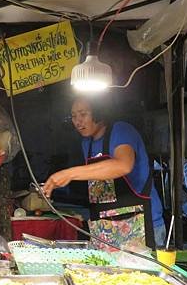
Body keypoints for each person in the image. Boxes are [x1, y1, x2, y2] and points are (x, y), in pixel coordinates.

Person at [43, 97, 165, 250]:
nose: (77, 121)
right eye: (73, 116)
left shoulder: (121, 130)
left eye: (83, 114)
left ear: (99, 111)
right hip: (106, 230)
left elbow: (123, 165)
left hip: (141, 226)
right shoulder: (86, 143)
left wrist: (69, 174)